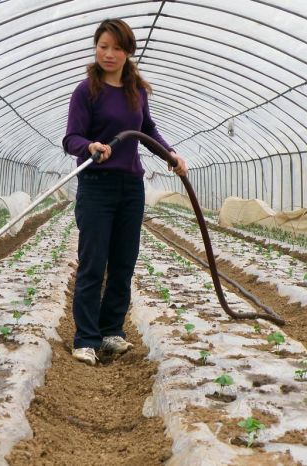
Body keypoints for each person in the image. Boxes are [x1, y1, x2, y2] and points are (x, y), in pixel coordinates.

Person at [62, 18, 187, 366]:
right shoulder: (86, 91)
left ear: (128, 51)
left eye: (116, 48)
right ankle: (85, 338)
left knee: (123, 263)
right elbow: (71, 138)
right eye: (103, 46)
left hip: (131, 187)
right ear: (96, 48)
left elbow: (147, 129)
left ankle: (111, 331)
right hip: (97, 187)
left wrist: (171, 154)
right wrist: (90, 146)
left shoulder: (136, 91)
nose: (109, 54)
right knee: (93, 263)